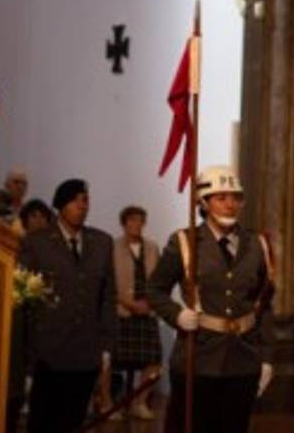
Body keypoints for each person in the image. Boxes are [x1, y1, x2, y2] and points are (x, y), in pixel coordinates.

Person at [148, 166, 274, 433]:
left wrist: (266, 358)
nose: (231, 205)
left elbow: (264, 304)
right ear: (203, 203)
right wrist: (177, 315)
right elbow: (155, 290)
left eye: (236, 198)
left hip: (243, 360)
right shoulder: (184, 241)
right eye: (221, 197)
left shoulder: (257, 244)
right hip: (198, 358)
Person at [17, 178, 117, 432]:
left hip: (86, 351)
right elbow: (23, 296)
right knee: (42, 422)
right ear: (60, 206)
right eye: (75, 200)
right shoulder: (37, 242)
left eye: (85, 200)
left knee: (73, 421)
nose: (82, 206)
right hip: (47, 351)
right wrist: (28, 353)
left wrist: (106, 345)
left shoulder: (102, 242)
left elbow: (107, 296)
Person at [96, 206, 162, 420]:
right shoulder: (112, 248)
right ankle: (107, 404)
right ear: (124, 223)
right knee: (107, 358)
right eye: (132, 220)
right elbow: (108, 284)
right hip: (121, 311)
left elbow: (160, 280)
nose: (137, 224)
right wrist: (129, 303)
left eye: (140, 220)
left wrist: (149, 303)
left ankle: (139, 403)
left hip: (148, 311)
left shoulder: (152, 248)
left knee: (155, 359)